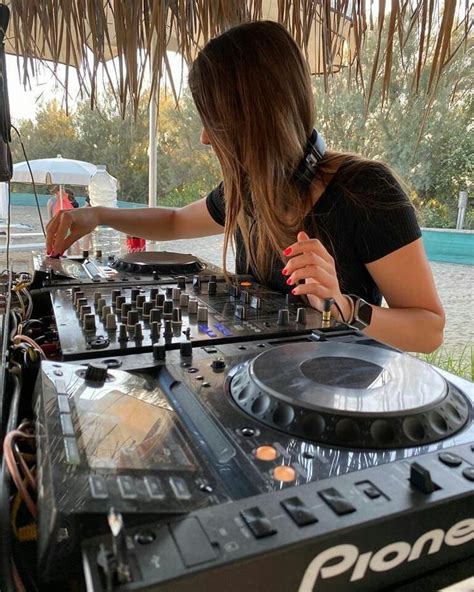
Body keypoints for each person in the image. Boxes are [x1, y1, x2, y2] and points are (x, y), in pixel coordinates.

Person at [46, 21, 445, 353]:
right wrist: (96, 215)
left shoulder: (367, 189)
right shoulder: (250, 190)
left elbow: (430, 329)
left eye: (214, 119)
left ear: (253, 118)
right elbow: (173, 221)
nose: (205, 137)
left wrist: (342, 306)